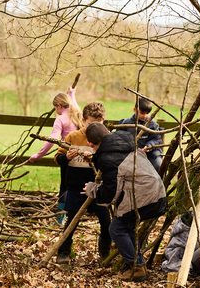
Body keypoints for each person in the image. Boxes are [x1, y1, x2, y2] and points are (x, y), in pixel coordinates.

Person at [83, 123, 167, 282]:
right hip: (155, 192)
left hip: (145, 197)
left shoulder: (108, 158)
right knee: (125, 226)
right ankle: (138, 265)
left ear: (91, 143)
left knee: (116, 229)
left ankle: (137, 267)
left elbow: (110, 193)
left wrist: (93, 189)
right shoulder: (124, 143)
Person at [53, 102, 111, 264]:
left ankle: (104, 252)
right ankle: (63, 252)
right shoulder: (73, 137)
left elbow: (110, 162)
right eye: (91, 124)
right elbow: (58, 157)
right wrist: (67, 157)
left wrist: (95, 158)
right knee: (72, 221)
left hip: (99, 187)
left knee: (106, 221)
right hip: (76, 186)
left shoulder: (106, 137)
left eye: (98, 124)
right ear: (84, 120)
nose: (94, 128)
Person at [29, 87, 83, 222]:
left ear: (59, 105)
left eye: (55, 107)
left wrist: (38, 155)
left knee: (64, 187)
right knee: (79, 185)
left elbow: (52, 140)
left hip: (67, 156)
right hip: (83, 155)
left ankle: (61, 218)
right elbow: (75, 105)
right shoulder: (77, 114)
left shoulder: (60, 119)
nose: (55, 111)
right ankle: (78, 214)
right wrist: (72, 94)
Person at [118, 98, 164, 172]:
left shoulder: (153, 125)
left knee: (158, 164)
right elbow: (119, 139)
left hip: (150, 154)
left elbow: (156, 139)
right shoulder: (126, 123)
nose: (145, 116)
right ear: (135, 109)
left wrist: (149, 146)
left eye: (147, 113)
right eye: (142, 113)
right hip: (130, 154)